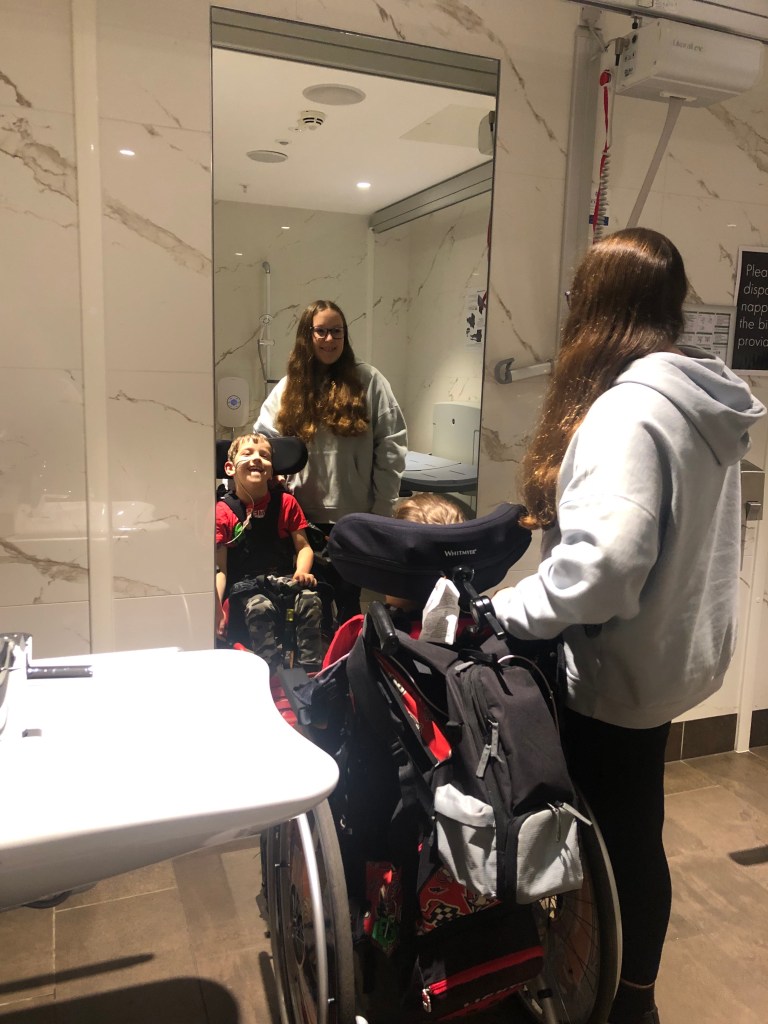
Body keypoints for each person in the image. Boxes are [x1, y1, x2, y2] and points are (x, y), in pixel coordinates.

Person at [491, 227, 766, 1024]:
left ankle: (621, 1000)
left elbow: (606, 569)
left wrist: (507, 610)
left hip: (617, 676)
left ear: (596, 309)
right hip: (672, 660)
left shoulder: (625, 413)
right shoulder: (700, 400)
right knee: (636, 830)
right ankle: (629, 991)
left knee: (615, 844)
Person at [255, 299, 407, 624]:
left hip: (355, 518)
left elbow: (391, 448)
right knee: (313, 604)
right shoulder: (287, 389)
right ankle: (321, 666)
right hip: (302, 519)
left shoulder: (370, 382)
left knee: (351, 602)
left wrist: (382, 510)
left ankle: (350, 662)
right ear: (306, 336)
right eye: (321, 331)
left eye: (336, 331)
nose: (329, 339)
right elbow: (263, 443)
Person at [215, 432, 324, 671]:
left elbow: (304, 547)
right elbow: (220, 569)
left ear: (272, 469)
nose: (256, 459)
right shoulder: (223, 512)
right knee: (259, 607)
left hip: (285, 579)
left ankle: (310, 669)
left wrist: (302, 572)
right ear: (230, 468)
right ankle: (268, 670)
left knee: (310, 600)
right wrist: (216, 608)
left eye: (264, 455)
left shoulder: (286, 503)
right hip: (246, 586)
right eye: (248, 454)